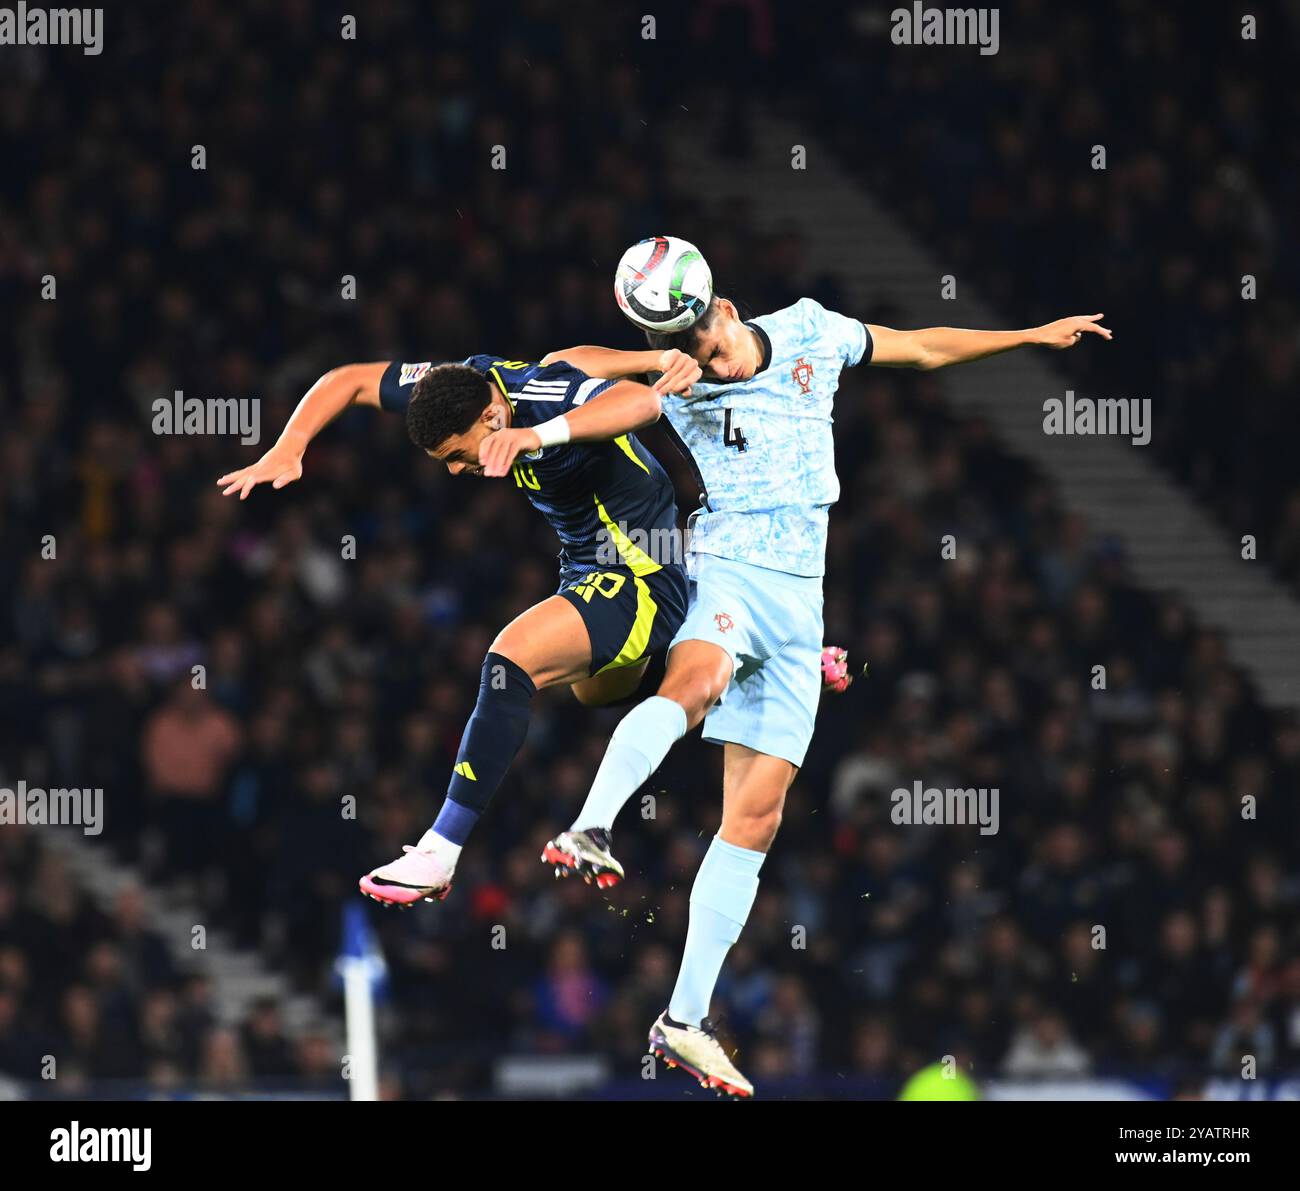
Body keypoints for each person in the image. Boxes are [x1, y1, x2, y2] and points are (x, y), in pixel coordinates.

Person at [543, 282, 1110, 1095]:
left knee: (757, 817)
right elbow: (566, 365)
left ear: (728, 309)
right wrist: (650, 361)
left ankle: (684, 1019)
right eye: (688, 346)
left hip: (801, 602)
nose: (706, 355)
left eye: (705, 334)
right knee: (696, 679)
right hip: (731, 573)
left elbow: (921, 344)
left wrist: (1027, 332)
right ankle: (591, 825)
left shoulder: (813, 330)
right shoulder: (676, 379)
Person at [216, 350, 701, 904]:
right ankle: (725, 650)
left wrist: (537, 437)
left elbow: (641, 401)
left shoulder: (545, 403)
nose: (451, 470)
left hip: (641, 571)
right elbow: (348, 379)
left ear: (494, 419)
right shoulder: (467, 381)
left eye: (453, 454)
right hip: (585, 565)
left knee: (510, 661)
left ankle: (439, 851)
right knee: (596, 692)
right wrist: (290, 445)